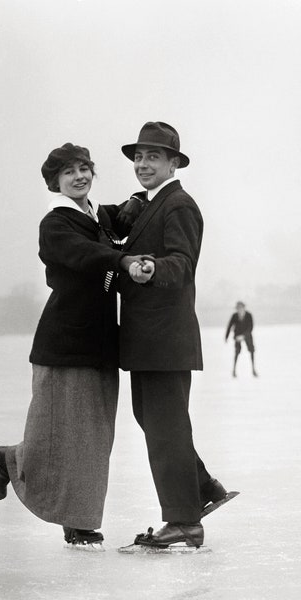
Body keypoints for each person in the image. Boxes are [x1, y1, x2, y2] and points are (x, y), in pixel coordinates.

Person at [0, 143, 145, 548]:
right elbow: (85, 252)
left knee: (93, 436)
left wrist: (138, 203)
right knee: (59, 435)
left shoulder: (93, 214)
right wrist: (122, 259)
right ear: (54, 182)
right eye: (69, 172)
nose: (80, 177)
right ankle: (72, 516)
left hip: (101, 342)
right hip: (65, 342)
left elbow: (114, 220)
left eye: (85, 168)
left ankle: (69, 505)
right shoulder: (56, 223)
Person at [118, 121, 231, 548]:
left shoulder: (179, 205)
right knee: (155, 421)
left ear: (173, 163)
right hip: (150, 338)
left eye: (153, 157)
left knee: (165, 426)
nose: (143, 164)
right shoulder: (151, 203)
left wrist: (149, 268)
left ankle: (184, 519)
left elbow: (182, 263)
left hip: (165, 337)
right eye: (139, 157)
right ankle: (202, 489)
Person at [225, 301, 257, 377]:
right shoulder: (234, 316)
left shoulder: (249, 315)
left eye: (241, 308)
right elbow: (230, 326)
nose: (239, 309)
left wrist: (244, 336)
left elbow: (251, 327)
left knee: (252, 350)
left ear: (243, 308)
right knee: (237, 352)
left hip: (247, 335)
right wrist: (226, 336)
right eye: (238, 308)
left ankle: (253, 369)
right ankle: (234, 370)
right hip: (237, 335)